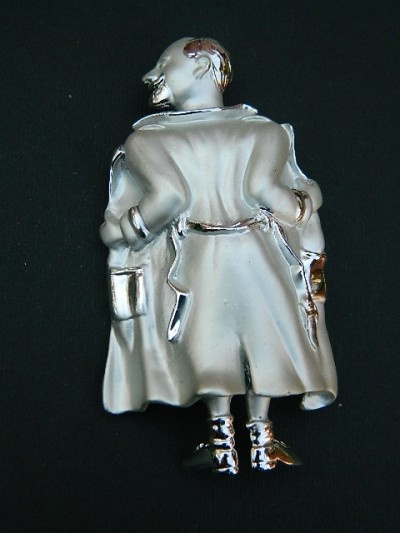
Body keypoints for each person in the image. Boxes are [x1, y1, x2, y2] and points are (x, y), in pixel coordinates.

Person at [100, 37, 337, 474]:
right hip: (257, 254)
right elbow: (271, 196)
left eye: (163, 64)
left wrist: (119, 230)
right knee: (262, 337)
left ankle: (221, 442)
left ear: (201, 68)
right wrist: (311, 197)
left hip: (199, 255)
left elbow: (168, 199)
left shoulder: (147, 141)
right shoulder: (264, 132)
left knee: (210, 342)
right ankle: (263, 439)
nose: (151, 77)